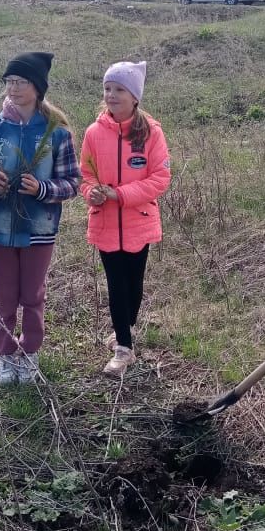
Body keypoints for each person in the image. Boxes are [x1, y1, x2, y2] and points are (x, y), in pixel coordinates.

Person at [0, 52, 80, 386]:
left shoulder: (57, 134)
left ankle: (29, 352)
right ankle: (5, 355)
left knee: (32, 295)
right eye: (9, 81)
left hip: (40, 230)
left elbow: (71, 183)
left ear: (38, 88)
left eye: (21, 82)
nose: (14, 88)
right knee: (4, 296)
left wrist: (41, 188)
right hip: (1, 229)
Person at [80, 61, 171, 378]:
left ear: (134, 96)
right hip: (105, 223)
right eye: (107, 88)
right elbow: (86, 175)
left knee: (134, 287)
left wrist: (120, 194)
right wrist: (91, 191)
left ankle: (125, 327)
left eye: (119, 89)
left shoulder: (151, 133)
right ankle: (123, 348)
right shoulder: (93, 133)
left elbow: (160, 178)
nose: (112, 95)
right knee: (116, 285)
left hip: (139, 221)